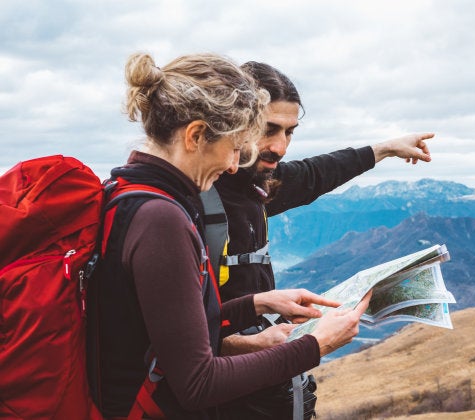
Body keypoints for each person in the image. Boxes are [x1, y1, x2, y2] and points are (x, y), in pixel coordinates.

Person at [86, 52, 370, 419]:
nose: (236, 165)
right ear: (196, 135)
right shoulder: (161, 220)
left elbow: (173, 326)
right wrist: (316, 344)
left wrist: (260, 303)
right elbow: (198, 383)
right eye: (236, 148)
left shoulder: (131, 192)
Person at [211, 61, 435, 418]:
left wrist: (387, 148)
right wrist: (245, 346)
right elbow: (164, 337)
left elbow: (315, 174)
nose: (280, 147)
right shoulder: (197, 202)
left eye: (289, 132)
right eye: (269, 129)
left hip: (266, 383)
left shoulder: (255, 185)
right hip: (221, 398)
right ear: (233, 121)